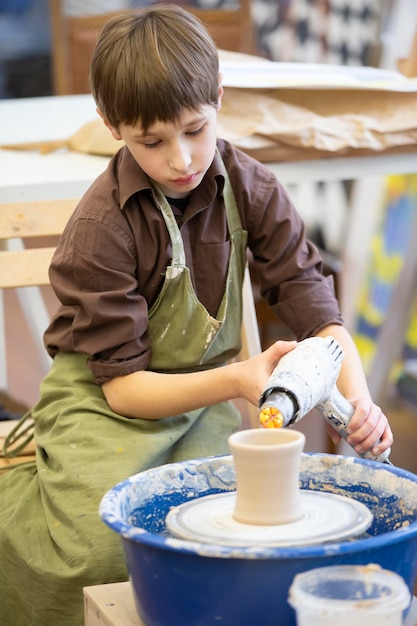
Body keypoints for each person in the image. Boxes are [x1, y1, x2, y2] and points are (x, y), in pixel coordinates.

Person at [0, 5, 393, 626]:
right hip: (106, 402)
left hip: (199, 401)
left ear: (218, 99)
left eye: (195, 129)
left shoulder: (250, 184)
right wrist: (239, 379)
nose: (181, 159)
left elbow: (317, 310)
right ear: (112, 127)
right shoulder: (103, 227)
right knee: (100, 551)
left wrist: (361, 405)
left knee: (223, 528)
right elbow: (125, 390)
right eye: (151, 142)